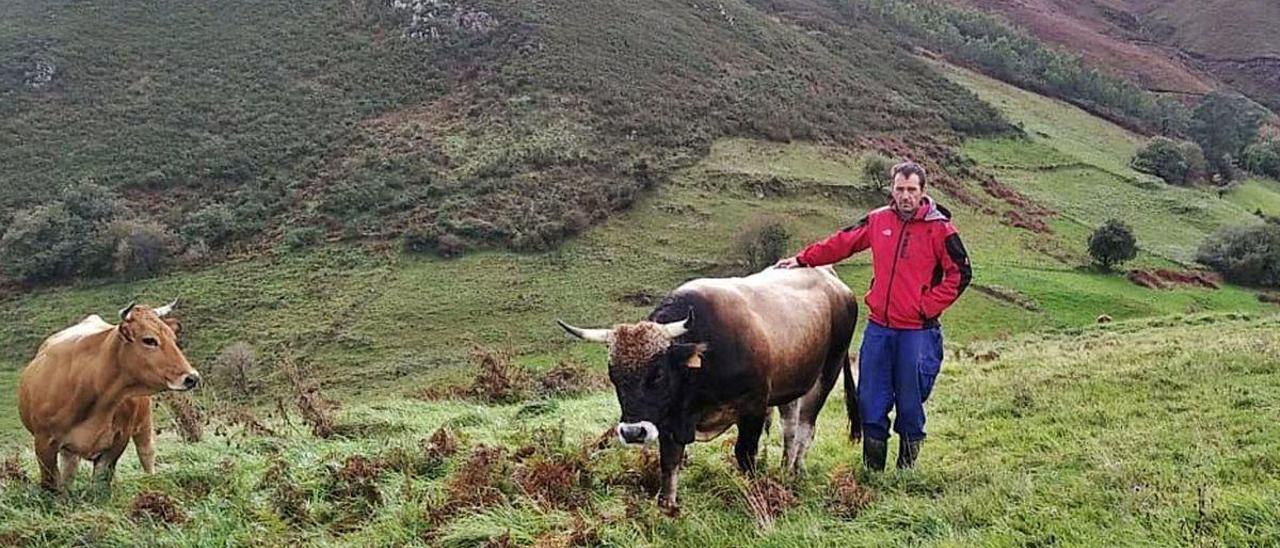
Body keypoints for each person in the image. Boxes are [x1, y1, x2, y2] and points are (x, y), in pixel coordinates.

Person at [776, 161, 971, 471]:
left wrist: (927, 306)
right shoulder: (878, 220)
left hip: (917, 333)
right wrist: (802, 259)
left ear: (923, 192)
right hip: (880, 329)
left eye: (911, 190)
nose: (905, 196)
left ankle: (906, 472)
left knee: (910, 405)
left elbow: (959, 273)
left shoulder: (940, 228)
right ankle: (873, 471)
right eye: (900, 189)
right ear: (891, 190)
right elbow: (842, 242)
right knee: (870, 401)